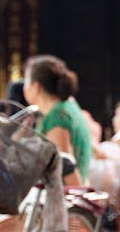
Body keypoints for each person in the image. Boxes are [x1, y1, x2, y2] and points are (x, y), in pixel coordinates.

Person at [23, 54, 92, 185]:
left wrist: (79, 194)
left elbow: (66, 168)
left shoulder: (56, 117)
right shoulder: (68, 105)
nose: (24, 88)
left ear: (36, 87)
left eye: (25, 82)